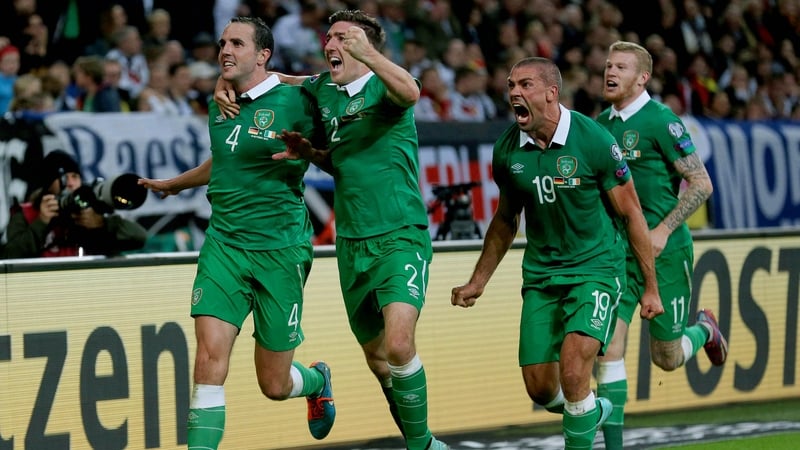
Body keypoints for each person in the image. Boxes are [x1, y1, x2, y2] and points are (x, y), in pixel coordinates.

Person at [215, 9, 449, 450]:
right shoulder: (323, 90)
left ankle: (422, 445)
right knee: (380, 361)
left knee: (399, 345)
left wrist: (371, 55)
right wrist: (223, 84)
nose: (331, 44)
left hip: (400, 234)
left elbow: (412, 91)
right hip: (352, 243)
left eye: (344, 37)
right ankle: (413, 436)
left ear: (367, 46)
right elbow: (272, 78)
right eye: (329, 37)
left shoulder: (385, 85)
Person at [137, 16, 334, 450]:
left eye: (238, 44)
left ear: (263, 55)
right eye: (223, 43)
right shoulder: (220, 103)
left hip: (281, 251)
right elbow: (227, 160)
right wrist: (174, 183)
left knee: (275, 384)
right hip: (224, 246)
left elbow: (342, 93)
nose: (225, 50)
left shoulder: (299, 100)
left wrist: (311, 147)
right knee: (208, 361)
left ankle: (318, 380)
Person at [450, 57, 663, 450]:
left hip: (596, 269)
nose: (514, 91)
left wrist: (650, 286)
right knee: (540, 387)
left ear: (551, 93)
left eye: (525, 85)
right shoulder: (508, 151)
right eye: (511, 85)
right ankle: (590, 410)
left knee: (574, 365)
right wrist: (478, 280)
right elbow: (505, 218)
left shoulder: (594, 139)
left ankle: (581, 421)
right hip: (542, 277)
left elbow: (632, 213)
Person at [594, 40, 728, 449]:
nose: (610, 72)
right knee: (608, 351)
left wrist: (664, 229)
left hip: (664, 254)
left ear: (642, 78)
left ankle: (705, 330)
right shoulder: (600, 124)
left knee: (665, 358)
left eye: (620, 67)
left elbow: (702, 184)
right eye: (608, 65)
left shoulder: (662, 121)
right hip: (620, 256)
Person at [2, 150, 147, 259]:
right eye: (64, 178)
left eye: (75, 177)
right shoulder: (27, 214)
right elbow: (10, 257)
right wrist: (41, 222)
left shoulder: (91, 212)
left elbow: (139, 238)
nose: (71, 183)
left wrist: (101, 224)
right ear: (48, 183)